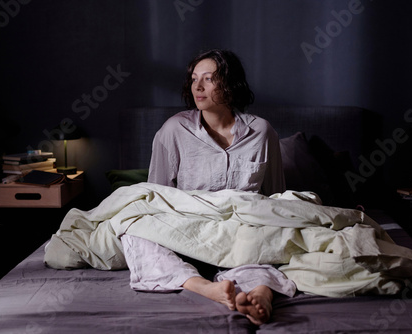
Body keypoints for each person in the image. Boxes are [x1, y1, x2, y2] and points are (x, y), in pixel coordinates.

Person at [120, 49, 295, 325]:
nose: (197, 87)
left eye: (209, 79)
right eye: (194, 79)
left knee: (276, 232)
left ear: (230, 84)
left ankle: (260, 294)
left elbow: (273, 199)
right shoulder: (173, 130)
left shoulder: (262, 132)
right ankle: (204, 287)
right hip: (188, 234)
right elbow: (156, 198)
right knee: (134, 231)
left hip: (241, 234)